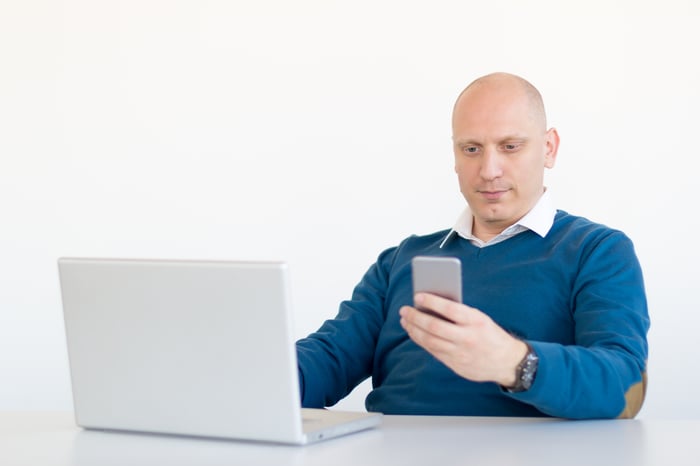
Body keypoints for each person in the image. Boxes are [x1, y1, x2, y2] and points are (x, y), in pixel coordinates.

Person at [295, 72, 649, 419]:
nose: (489, 169)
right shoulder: (403, 259)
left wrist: (514, 363)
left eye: (510, 146)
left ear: (548, 148)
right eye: (472, 149)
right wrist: (256, 375)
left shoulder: (597, 251)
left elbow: (625, 387)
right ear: (455, 155)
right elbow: (327, 359)